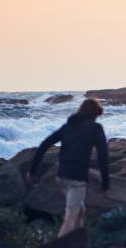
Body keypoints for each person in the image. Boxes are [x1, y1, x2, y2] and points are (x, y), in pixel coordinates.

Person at [28, 98, 109, 237]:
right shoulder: (95, 128)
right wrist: (105, 183)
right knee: (70, 218)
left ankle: (76, 243)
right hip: (76, 179)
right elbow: (103, 155)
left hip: (61, 176)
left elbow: (44, 145)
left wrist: (32, 170)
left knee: (80, 212)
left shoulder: (68, 126)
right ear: (95, 114)